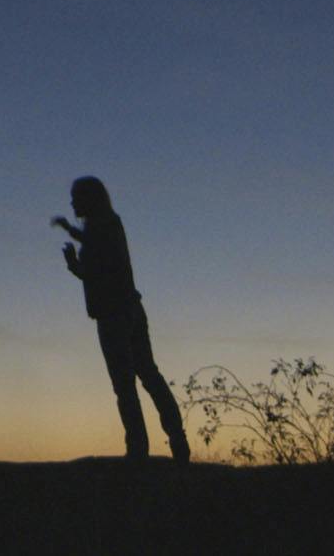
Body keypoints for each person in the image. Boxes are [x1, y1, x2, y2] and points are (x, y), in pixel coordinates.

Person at [55, 175, 190, 461]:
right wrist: (71, 233)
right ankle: (176, 437)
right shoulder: (110, 224)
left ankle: (138, 449)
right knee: (149, 375)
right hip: (132, 310)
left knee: (125, 386)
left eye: (76, 198)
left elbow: (93, 273)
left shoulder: (99, 231)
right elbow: (96, 253)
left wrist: (73, 264)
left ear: (88, 199)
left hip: (112, 316)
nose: (71, 203)